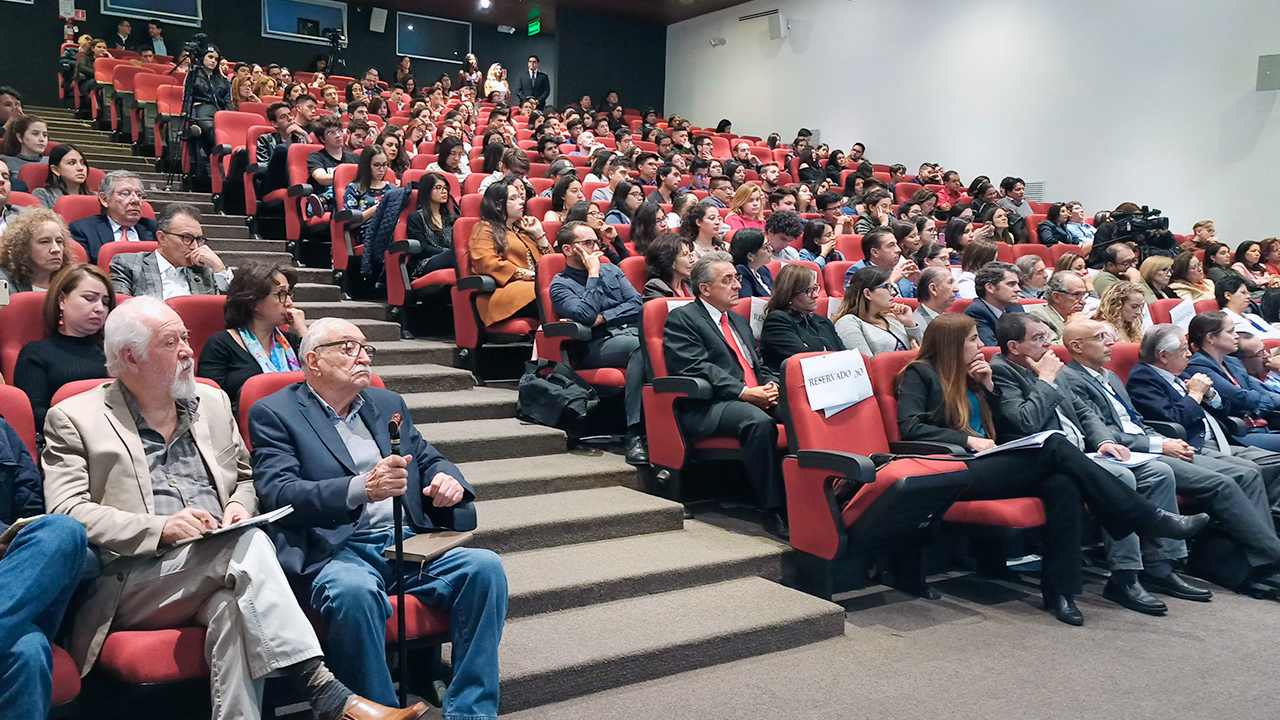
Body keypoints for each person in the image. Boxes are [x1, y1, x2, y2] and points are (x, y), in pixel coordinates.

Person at [44, 298, 428, 720]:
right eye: (172, 342)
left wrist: (237, 507)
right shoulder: (74, 416)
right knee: (245, 549)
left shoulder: (210, 403)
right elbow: (66, 511)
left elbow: (247, 480)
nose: (189, 350)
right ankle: (329, 694)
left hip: (222, 561)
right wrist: (161, 527)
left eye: (187, 337)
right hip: (134, 578)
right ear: (130, 356)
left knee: (233, 612)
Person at [246, 316, 505, 717]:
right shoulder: (275, 412)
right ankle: (377, 712)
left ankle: (472, 711)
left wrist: (447, 478)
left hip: (404, 541)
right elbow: (279, 493)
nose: (363, 356)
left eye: (366, 348)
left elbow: (426, 457)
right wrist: (360, 488)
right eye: (348, 348)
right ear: (313, 360)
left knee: (485, 568)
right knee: (352, 592)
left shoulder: (387, 404)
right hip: (335, 548)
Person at [897, 314, 1208, 624]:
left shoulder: (975, 374)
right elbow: (910, 426)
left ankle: (1060, 593)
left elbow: (1000, 425)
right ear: (952, 344)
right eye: (973, 340)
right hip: (952, 466)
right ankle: (1147, 517)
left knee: (1064, 485)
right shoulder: (920, 373)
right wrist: (966, 440)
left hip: (991, 463)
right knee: (1056, 445)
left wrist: (988, 387)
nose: (981, 345)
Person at [989, 313, 1205, 613]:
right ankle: (1125, 576)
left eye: (1047, 336)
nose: (1048, 343)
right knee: (1122, 478)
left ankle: (1161, 566)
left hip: (1086, 452)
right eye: (1038, 339)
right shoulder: (1003, 371)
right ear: (1014, 346)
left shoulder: (1049, 366)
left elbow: (1086, 412)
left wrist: (1104, 440)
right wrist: (1046, 381)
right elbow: (1024, 422)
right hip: (1044, 459)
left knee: (1159, 472)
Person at [1058, 317, 1280, 592]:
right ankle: (1271, 558)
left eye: (1109, 336)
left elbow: (1137, 420)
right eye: (1100, 338)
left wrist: (1166, 440)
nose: (1110, 343)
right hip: (1126, 454)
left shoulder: (1110, 376)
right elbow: (1101, 433)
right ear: (1077, 347)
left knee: (1247, 474)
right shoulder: (1070, 380)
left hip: (1154, 443)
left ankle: (1257, 561)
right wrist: (1159, 445)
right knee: (1222, 483)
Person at [662, 252, 788, 540]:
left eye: (737, 278)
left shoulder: (738, 320)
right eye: (728, 280)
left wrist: (771, 385)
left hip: (753, 392)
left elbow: (758, 363)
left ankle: (814, 495)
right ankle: (774, 509)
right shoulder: (683, 318)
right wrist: (744, 392)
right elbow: (695, 366)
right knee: (757, 422)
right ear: (705, 288)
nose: (737, 286)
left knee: (802, 413)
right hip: (711, 404)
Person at [0, 414, 88, 720]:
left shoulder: (1, 429)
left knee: (64, 531)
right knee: (28, 649)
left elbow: (31, 512)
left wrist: (8, 537)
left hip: (12, 579)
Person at [550, 222, 648, 464]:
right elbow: (584, 316)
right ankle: (635, 434)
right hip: (596, 346)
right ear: (568, 249)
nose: (596, 248)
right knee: (642, 348)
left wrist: (604, 317)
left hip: (631, 334)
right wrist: (593, 273)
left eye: (596, 242)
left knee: (655, 345)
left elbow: (638, 304)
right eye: (588, 243)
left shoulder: (612, 271)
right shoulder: (560, 284)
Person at [1129, 324, 1280, 465]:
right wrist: (1194, 395)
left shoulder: (1180, 375)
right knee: (1251, 473)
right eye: (1183, 350)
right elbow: (1174, 420)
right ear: (1163, 356)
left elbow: (1224, 410)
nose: (1189, 354)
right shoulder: (1143, 380)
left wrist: (1211, 396)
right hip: (1194, 445)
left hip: (1222, 437)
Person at [13, 264, 113, 433]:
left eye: (105, 302)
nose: (99, 309)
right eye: (89, 298)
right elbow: (35, 416)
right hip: (66, 442)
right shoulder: (36, 353)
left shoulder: (117, 351)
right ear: (62, 300)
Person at [197, 262, 306, 414]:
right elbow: (211, 402)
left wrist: (302, 330)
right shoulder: (220, 344)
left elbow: (322, 379)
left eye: (288, 294)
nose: (289, 303)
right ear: (254, 302)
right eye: (281, 294)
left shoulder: (293, 342)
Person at [469, 179, 551, 325]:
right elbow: (487, 263)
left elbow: (551, 264)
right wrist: (528, 275)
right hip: (506, 294)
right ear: (499, 205)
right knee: (557, 297)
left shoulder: (524, 231)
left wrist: (539, 235)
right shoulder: (485, 228)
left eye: (520, 197)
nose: (521, 202)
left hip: (535, 289)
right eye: (513, 198)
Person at [109, 202, 230, 299]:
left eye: (198, 239)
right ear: (162, 237)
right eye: (187, 238)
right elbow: (122, 311)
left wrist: (219, 267)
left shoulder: (205, 271)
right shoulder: (129, 265)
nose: (195, 247)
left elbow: (228, 313)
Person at [1185, 310, 1280, 421]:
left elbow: (1264, 392)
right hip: (1237, 432)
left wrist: (1256, 407)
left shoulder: (1233, 362)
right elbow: (1241, 399)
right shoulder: (1198, 367)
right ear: (1211, 338)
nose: (1236, 336)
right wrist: (1257, 401)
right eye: (1230, 332)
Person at [759, 264, 843, 374]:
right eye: (808, 291)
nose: (816, 295)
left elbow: (845, 355)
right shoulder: (777, 321)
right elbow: (806, 360)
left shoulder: (823, 322)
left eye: (815, 288)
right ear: (789, 294)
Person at [67, 170, 157, 265]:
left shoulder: (155, 229)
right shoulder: (83, 230)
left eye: (139, 195)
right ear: (104, 199)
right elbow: (83, 271)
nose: (136, 200)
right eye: (125, 193)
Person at [833, 265, 922, 356]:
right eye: (886, 287)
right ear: (867, 293)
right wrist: (911, 357)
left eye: (892, 287)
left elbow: (925, 352)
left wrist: (910, 325)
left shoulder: (893, 318)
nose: (893, 292)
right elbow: (866, 364)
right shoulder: (848, 322)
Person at [0, 207, 71, 294]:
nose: (56, 249)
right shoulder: (3, 282)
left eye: (59, 241)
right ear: (23, 247)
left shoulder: (72, 283)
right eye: (44, 242)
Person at [404, 172, 457, 279]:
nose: (444, 191)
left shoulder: (453, 217)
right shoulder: (416, 217)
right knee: (457, 255)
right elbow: (422, 248)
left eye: (445, 188)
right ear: (427, 191)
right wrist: (447, 252)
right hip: (425, 262)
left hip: (451, 257)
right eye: (438, 187)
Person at [304, 115, 360, 215]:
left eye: (339, 131)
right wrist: (349, 178)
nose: (338, 135)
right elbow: (321, 178)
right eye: (331, 133)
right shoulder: (316, 157)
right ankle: (322, 203)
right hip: (331, 198)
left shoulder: (355, 158)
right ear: (322, 138)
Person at [843, 227, 919, 297]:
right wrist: (891, 282)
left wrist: (917, 283)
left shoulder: (901, 269)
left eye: (896, 244)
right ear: (875, 252)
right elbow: (858, 303)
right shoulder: (858, 272)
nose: (898, 250)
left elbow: (914, 301)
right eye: (891, 245)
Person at [964, 261, 1025, 346]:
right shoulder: (976, 312)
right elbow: (992, 348)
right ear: (990, 288)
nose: (1018, 289)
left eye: (1017, 284)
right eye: (1011, 284)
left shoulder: (1016, 308)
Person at [1026, 270, 1089, 343]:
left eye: (1083, 295)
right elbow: (1052, 348)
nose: (1083, 302)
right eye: (1076, 295)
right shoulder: (1039, 318)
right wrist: (1074, 328)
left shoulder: (1081, 315)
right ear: (1056, 297)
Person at [1215, 274, 1280, 338]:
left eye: (1248, 293)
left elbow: (1275, 332)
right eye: (1243, 293)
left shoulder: (1253, 316)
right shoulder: (1227, 320)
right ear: (1228, 295)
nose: (1248, 296)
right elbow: (1257, 339)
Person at [33, 143, 91, 210]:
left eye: (82, 163)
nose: (80, 168)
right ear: (56, 170)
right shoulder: (43, 195)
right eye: (72, 163)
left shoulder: (96, 197)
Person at [643, 232, 694, 300]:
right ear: (670, 261)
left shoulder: (690, 283)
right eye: (685, 255)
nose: (692, 260)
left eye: (690, 255)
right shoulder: (656, 287)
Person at [730, 228, 772, 297]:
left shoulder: (763, 270)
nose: (771, 249)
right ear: (750, 255)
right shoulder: (741, 272)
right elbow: (748, 302)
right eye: (766, 247)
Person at [914, 266, 957, 331]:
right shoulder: (917, 325)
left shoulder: (947, 318)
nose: (956, 289)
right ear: (933, 289)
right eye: (950, 283)